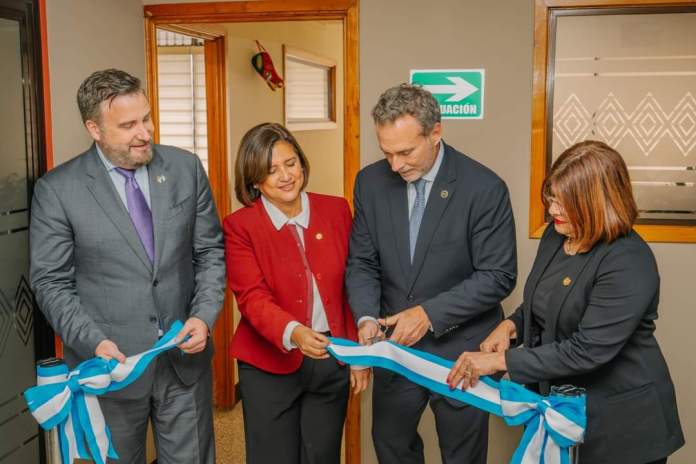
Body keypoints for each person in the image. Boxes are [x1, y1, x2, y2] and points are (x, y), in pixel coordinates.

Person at [29, 69, 226, 463]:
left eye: (147, 118)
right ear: (94, 128)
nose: (145, 132)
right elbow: (51, 282)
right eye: (128, 125)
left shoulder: (186, 169)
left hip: (183, 363)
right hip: (110, 371)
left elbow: (210, 253)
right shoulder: (58, 190)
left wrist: (203, 317)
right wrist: (94, 341)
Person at [447, 140, 685, 464]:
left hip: (622, 427)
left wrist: (499, 361)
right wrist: (510, 325)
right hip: (563, 413)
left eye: (563, 202)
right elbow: (542, 301)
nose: (553, 211)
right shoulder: (557, 234)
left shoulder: (629, 260)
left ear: (597, 204)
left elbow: (587, 349)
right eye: (551, 199)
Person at [346, 84, 517, 464]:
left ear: (435, 132)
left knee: (462, 454)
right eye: (386, 152)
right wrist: (367, 317)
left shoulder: (483, 188)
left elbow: (498, 275)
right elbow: (362, 261)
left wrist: (427, 315)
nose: (395, 165)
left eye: (405, 152)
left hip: (461, 351)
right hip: (395, 350)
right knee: (392, 448)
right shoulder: (370, 183)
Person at [224, 122, 370, 464]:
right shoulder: (239, 226)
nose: (285, 176)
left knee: (322, 456)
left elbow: (353, 282)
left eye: (290, 163)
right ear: (254, 179)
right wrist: (295, 332)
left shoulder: (336, 210)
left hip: (330, 356)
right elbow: (252, 298)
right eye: (270, 170)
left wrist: (357, 354)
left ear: (302, 163)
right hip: (268, 365)